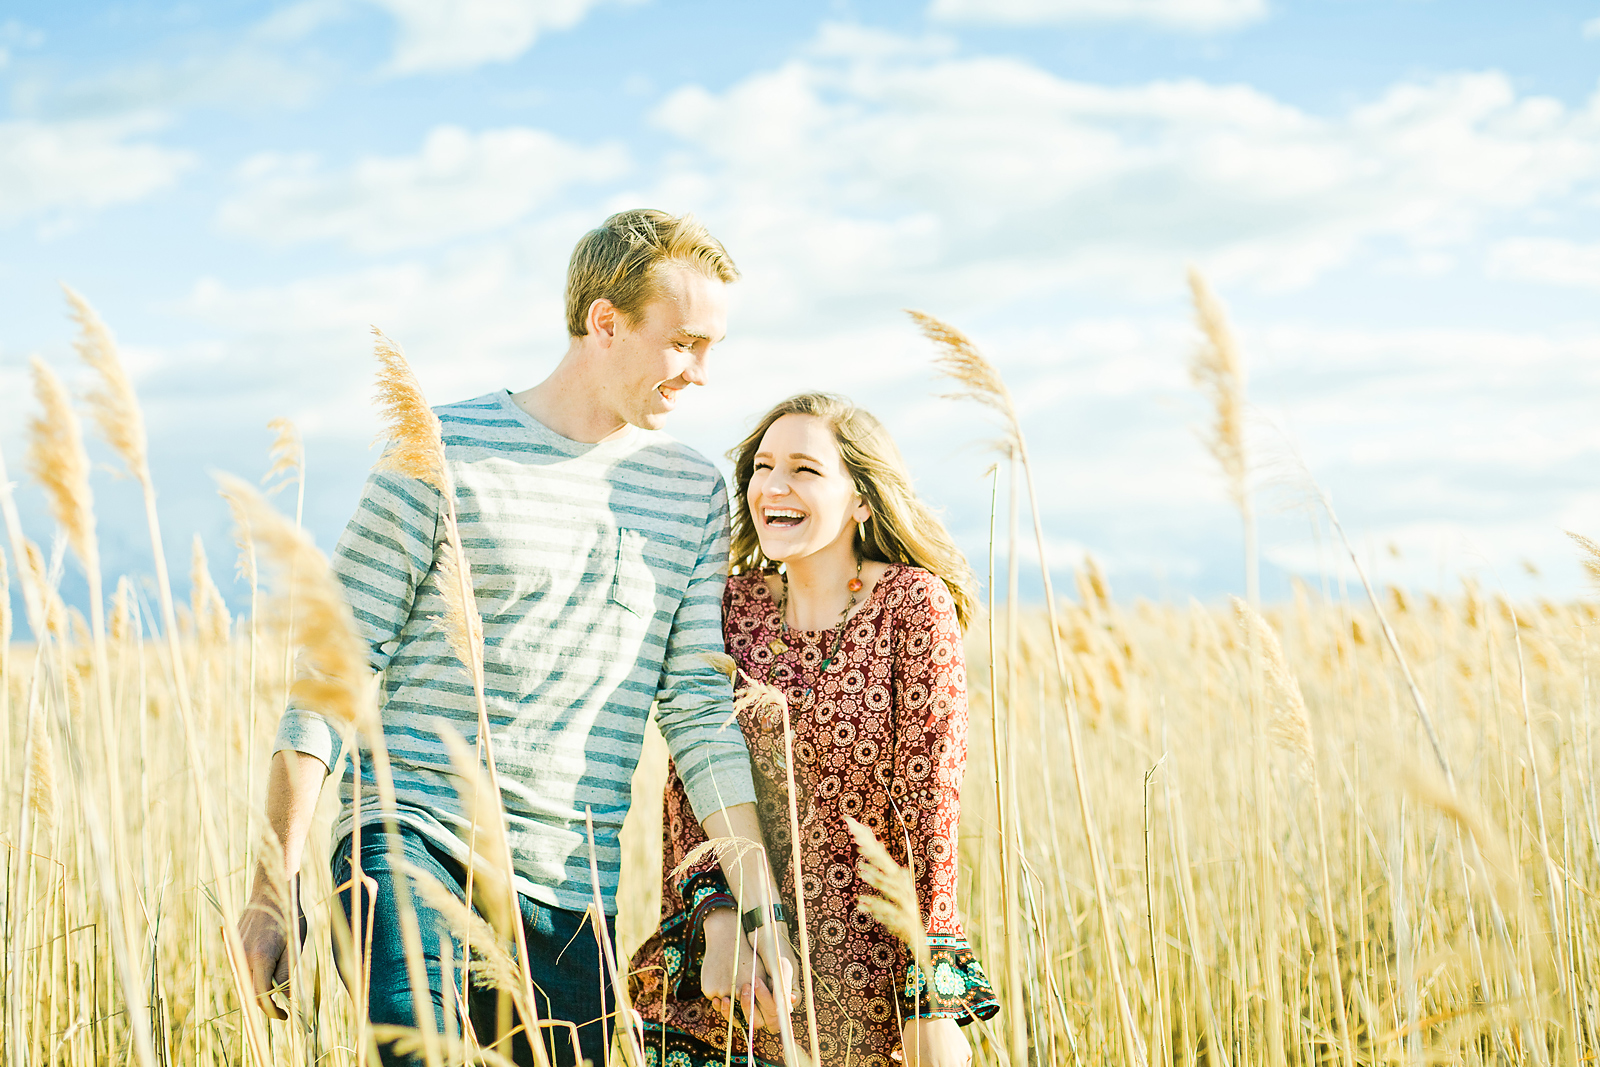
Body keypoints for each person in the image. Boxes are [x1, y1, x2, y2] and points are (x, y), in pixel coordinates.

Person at [237, 209, 797, 1067]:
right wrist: (274, 886)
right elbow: (335, 666)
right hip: (412, 838)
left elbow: (695, 708)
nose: (700, 373)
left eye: (713, 347)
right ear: (604, 322)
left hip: (575, 892)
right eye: (684, 343)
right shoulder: (442, 447)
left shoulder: (689, 490)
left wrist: (759, 902)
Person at [630, 393, 999, 1067]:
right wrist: (719, 920)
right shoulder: (730, 606)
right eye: (763, 466)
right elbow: (692, 779)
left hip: (872, 993)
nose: (773, 485)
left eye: (805, 468)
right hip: (735, 982)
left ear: (862, 498)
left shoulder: (910, 605)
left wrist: (927, 996)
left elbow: (929, 807)